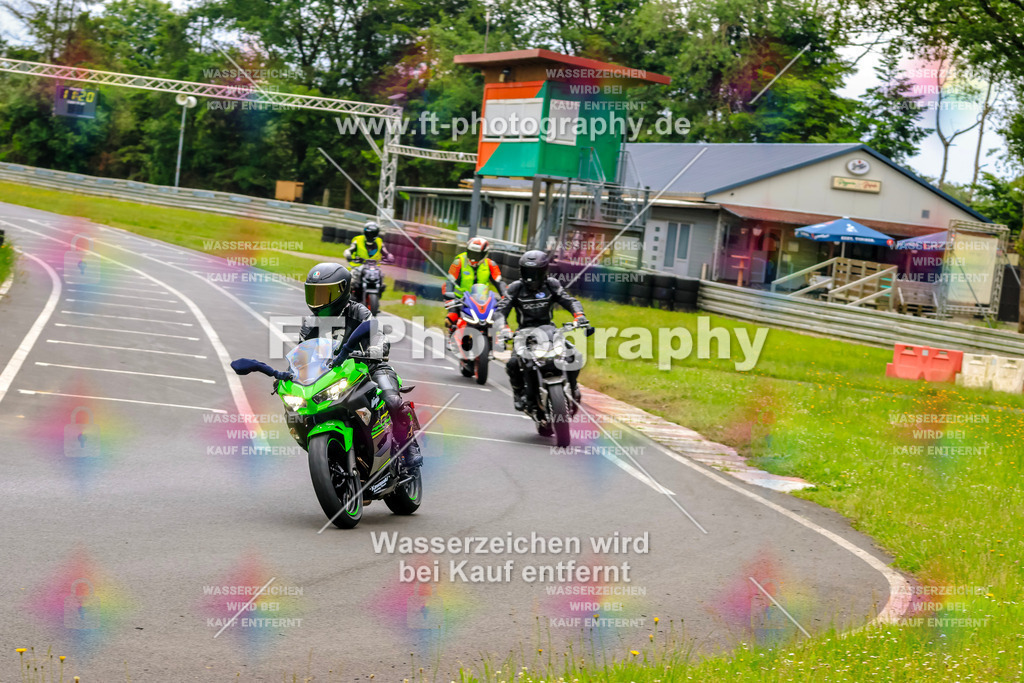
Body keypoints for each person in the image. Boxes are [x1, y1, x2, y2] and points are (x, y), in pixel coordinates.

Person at [299, 262, 421, 469]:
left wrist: (377, 349)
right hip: (333, 376)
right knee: (303, 410)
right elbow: (302, 354)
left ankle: (409, 445)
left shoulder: (358, 312)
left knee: (392, 400)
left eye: (325, 294)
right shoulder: (310, 323)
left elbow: (377, 334)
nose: (318, 301)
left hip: (370, 369)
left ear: (343, 290)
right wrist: (292, 374)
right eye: (314, 294)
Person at [495, 250, 589, 411]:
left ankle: (573, 387)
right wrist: (503, 328)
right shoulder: (516, 288)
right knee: (513, 363)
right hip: (524, 333)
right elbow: (501, 310)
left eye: (534, 272)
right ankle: (519, 393)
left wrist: (579, 316)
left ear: (543, 271)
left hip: (549, 330)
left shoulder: (551, 285)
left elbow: (569, 301)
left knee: (575, 355)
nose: (530, 277)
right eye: (527, 271)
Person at [442, 236, 507, 334]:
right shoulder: (458, 262)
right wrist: (449, 297)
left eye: (477, 255)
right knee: (451, 318)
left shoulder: (491, 264)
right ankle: (452, 335)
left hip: (482, 301)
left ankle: (500, 335)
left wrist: (505, 296)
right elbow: (449, 281)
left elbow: (499, 282)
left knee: (499, 318)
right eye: (471, 253)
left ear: (484, 254)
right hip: (461, 300)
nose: (473, 258)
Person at [344, 221, 392, 303]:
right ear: (365, 232)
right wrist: (348, 255)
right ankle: (347, 299)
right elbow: (349, 250)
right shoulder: (358, 240)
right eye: (369, 233)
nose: (371, 235)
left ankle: (377, 296)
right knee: (351, 281)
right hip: (358, 266)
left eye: (373, 233)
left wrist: (390, 256)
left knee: (381, 278)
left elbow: (386, 252)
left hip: (374, 266)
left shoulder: (379, 241)